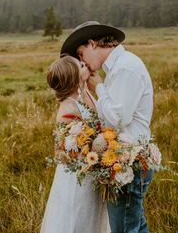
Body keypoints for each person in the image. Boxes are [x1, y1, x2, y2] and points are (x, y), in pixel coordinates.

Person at [61, 21, 154, 233]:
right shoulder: (118, 67)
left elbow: (117, 119)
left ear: (92, 43)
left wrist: (99, 87)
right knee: (135, 226)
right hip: (125, 160)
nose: (81, 60)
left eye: (81, 53)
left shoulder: (125, 67)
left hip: (130, 162)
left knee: (124, 229)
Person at [40, 55, 108, 233]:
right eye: (82, 66)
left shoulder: (85, 92)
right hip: (79, 176)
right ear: (74, 77)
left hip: (94, 168)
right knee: (78, 215)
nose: (86, 64)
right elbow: (66, 149)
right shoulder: (67, 109)